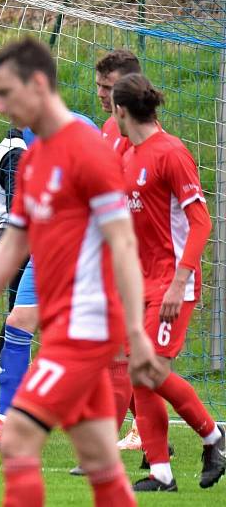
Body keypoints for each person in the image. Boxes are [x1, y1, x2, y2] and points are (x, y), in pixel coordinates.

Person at [0, 37, 163, 507]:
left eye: (5, 94)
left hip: (88, 327)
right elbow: (13, 244)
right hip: (66, 324)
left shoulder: (89, 150)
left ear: (38, 84)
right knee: (101, 464)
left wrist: (137, 337)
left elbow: (122, 241)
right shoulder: (36, 159)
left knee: (18, 438)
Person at [113, 73, 225, 491]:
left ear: (121, 111)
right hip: (140, 284)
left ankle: (213, 436)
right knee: (139, 373)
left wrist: (179, 283)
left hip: (172, 283)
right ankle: (160, 471)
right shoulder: (127, 154)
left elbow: (201, 222)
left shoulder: (171, 153)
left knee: (150, 368)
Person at [0, 114, 98, 447]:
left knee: (91, 339)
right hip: (44, 246)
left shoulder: (78, 130)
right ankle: (5, 419)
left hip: (80, 242)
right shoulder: (22, 140)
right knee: (18, 321)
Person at [94, 50, 148, 452]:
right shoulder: (108, 128)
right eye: (98, 86)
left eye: (109, 88)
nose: (101, 94)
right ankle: (139, 426)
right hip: (113, 252)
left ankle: (138, 430)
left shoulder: (140, 137)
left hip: (140, 258)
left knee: (130, 349)